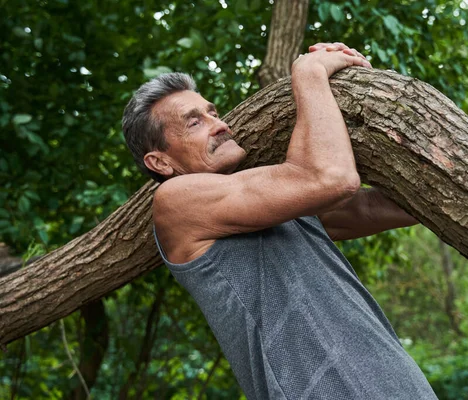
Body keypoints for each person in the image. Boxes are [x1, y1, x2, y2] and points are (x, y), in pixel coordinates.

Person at [123, 42, 438, 399]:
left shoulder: (272, 202)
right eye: (194, 122)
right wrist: (309, 73)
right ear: (161, 163)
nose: (219, 125)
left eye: (213, 113)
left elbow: (377, 208)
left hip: (401, 383)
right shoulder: (176, 202)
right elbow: (331, 178)